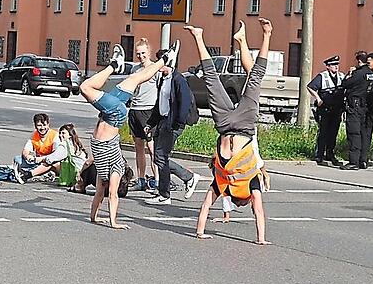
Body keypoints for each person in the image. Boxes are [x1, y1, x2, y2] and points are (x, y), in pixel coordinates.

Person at [187, 19, 271, 245]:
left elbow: (259, 214)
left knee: (255, 77)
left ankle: (266, 34)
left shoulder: (250, 184)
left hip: (242, 124)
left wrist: (262, 238)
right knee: (212, 79)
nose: (247, 204)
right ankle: (198, 36)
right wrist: (199, 231)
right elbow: (205, 206)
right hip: (226, 124)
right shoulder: (222, 182)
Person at [82, 42, 174, 229]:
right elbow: (113, 195)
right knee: (86, 87)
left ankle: (117, 64)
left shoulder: (101, 172)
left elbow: (99, 195)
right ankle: (162, 60)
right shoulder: (114, 167)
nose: (105, 185)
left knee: (134, 78)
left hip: (110, 114)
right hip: (115, 115)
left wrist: (93, 218)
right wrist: (113, 222)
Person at [145, 51, 201, 205]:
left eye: (160, 61)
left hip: (172, 124)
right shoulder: (164, 79)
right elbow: (160, 104)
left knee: (161, 157)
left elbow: (184, 103)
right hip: (163, 121)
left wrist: (177, 123)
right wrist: (151, 122)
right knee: (159, 157)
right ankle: (186, 179)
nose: (158, 65)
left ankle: (166, 194)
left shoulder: (178, 79)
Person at [127, 38, 159, 191]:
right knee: (138, 146)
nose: (140, 56)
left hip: (149, 111)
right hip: (135, 110)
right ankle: (141, 179)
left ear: (149, 52)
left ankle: (157, 180)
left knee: (152, 148)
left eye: (143, 53)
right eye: (138, 54)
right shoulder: (134, 70)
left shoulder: (156, 69)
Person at [307, 55, 345, 166]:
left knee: (333, 133)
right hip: (325, 109)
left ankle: (330, 154)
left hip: (337, 110)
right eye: (333, 65)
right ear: (328, 66)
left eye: (337, 64)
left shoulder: (342, 76)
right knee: (323, 132)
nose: (336, 67)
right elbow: (310, 87)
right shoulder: (322, 76)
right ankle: (319, 155)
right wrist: (318, 98)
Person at [340, 51, 373, 170]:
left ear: (359, 61)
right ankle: (363, 160)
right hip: (364, 107)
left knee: (354, 133)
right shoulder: (371, 73)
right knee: (363, 134)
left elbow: (345, 84)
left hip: (354, 106)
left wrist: (350, 73)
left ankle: (353, 162)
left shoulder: (358, 73)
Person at [12, 113, 60, 183]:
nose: (42, 128)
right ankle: (41, 173)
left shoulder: (55, 136)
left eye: (44, 125)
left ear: (48, 124)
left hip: (51, 162)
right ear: (35, 126)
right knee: (18, 159)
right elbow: (25, 150)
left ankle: (28, 175)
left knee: (51, 162)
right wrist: (27, 156)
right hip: (38, 161)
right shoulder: (34, 135)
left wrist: (40, 159)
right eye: (39, 125)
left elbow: (56, 156)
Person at [48, 124, 95, 192]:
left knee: (52, 164)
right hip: (84, 172)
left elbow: (52, 158)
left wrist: (37, 160)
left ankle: (29, 174)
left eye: (63, 133)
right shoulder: (75, 144)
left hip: (81, 173)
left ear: (70, 135)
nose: (60, 135)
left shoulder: (66, 145)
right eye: (60, 133)